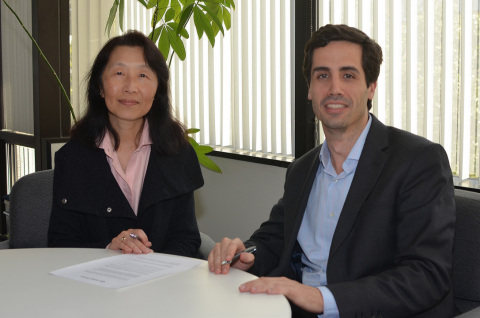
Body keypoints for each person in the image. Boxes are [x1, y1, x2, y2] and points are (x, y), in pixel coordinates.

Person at [208, 24, 455, 318]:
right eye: (322, 75)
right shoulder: (303, 168)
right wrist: (245, 254)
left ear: (371, 88)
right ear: (310, 89)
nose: (334, 88)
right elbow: (273, 240)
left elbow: (426, 276)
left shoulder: (417, 160)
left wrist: (322, 298)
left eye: (348, 75)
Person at [48, 30, 204, 257]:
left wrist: (157, 270)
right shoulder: (72, 157)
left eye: (143, 75)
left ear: (158, 88)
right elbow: (60, 243)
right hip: (94, 284)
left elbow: (186, 238)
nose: (131, 86)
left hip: (164, 283)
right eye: (119, 73)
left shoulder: (178, 152)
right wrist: (109, 248)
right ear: (100, 87)